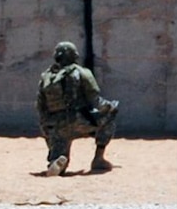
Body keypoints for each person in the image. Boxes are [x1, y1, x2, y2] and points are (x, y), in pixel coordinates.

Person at [35, 41, 119, 176]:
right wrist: (110, 106)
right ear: (74, 55)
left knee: (60, 154)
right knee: (109, 116)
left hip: (54, 127)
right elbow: (96, 101)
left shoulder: (47, 77)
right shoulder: (82, 72)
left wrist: (48, 130)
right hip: (78, 121)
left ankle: (56, 161)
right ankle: (98, 159)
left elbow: (40, 107)